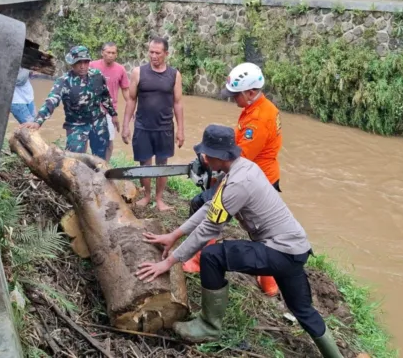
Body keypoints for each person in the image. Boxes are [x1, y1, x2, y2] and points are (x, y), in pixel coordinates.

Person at [135, 125, 343, 358]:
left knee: (212, 257)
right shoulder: (240, 169)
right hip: (295, 250)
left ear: (218, 157)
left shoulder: (238, 183)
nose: (203, 158)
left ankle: (209, 326)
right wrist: (174, 235)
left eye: (206, 154)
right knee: (303, 310)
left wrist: (169, 262)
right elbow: (209, 208)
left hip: (279, 250)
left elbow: (209, 228)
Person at [182, 63, 283, 298]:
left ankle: (198, 260)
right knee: (261, 232)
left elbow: (240, 159)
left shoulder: (257, 120)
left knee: (206, 207)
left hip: (253, 181)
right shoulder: (259, 107)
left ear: (250, 92)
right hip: (263, 175)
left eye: (235, 95)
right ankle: (269, 282)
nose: (233, 99)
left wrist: (213, 168)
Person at [21, 46, 119, 159]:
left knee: (101, 158)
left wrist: (114, 115)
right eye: (78, 63)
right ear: (72, 64)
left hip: (98, 123)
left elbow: (105, 97)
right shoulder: (64, 81)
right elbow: (51, 101)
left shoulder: (97, 75)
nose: (83, 66)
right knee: (74, 159)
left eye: (85, 62)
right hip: (76, 125)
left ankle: (102, 175)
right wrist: (38, 121)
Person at [122, 37, 185, 211]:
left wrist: (181, 130)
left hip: (164, 127)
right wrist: (126, 125)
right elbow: (131, 99)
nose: (154, 56)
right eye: (151, 52)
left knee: (162, 164)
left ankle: (159, 199)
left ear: (166, 53)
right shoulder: (138, 72)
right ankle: (147, 196)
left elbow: (178, 103)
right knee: (144, 164)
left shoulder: (174, 74)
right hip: (142, 126)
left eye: (158, 53)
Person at [90, 43, 130, 161]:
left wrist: (131, 108)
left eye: (113, 53)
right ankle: (91, 163)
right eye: (108, 52)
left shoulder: (120, 69)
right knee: (90, 138)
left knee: (109, 141)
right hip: (92, 109)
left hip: (110, 111)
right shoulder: (92, 65)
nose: (111, 55)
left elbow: (125, 90)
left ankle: (105, 167)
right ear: (102, 52)